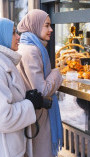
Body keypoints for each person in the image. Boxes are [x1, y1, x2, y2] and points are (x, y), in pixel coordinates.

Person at [0, 18, 46, 157]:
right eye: (13, 33)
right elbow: (2, 118)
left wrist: (26, 97)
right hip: (1, 151)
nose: (18, 36)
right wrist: (30, 104)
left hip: (9, 148)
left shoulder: (1, 64)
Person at [17, 9, 63, 157]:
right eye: (47, 25)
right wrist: (57, 72)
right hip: (38, 113)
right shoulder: (31, 50)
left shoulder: (28, 46)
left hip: (34, 112)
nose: (51, 29)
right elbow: (42, 90)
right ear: (35, 25)